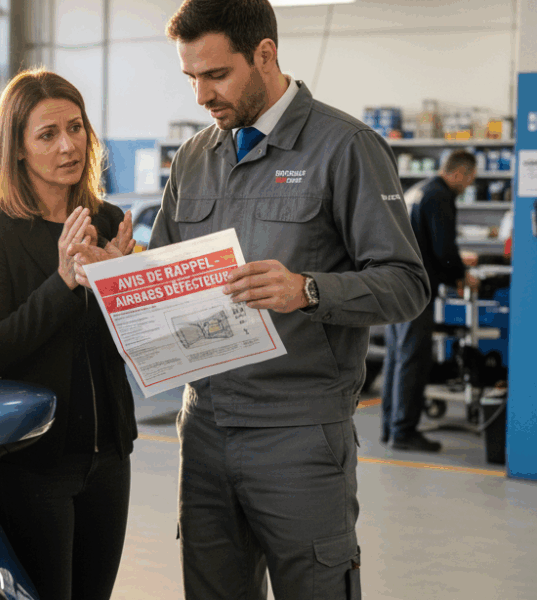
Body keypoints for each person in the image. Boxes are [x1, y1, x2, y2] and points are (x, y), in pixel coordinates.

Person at [123, 1, 429, 598]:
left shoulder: (346, 147)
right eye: (191, 78)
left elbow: (406, 283)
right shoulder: (194, 157)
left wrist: (308, 290)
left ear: (265, 54)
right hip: (206, 426)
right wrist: (122, 272)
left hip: (299, 433)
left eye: (216, 75)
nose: (201, 95)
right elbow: (163, 276)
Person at [0, 67, 138, 600]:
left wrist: (123, 286)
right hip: (35, 462)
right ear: (17, 149)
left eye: (76, 128)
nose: (68, 145)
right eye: (48, 134)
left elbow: (123, 343)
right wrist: (63, 282)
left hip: (108, 455)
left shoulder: (107, 220)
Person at [381, 150, 479, 452]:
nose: (469, 185)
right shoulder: (440, 196)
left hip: (394, 284)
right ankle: (404, 432)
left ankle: (390, 427)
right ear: (459, 174)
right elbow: (443, 249)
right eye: (470, 178)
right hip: (415, 289)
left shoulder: (418, 189)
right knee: (413, 359)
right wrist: (462, 275)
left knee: (397, 358)